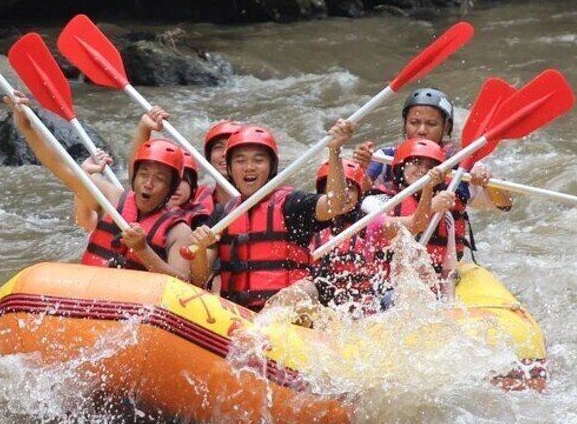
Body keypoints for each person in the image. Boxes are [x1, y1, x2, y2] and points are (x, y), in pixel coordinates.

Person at [5, 91, 192, 280]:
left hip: (137, 303)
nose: (149, 184)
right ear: (134, 177)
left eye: (159, 179)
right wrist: (27, 127)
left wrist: (142, 250)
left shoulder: (179, 231)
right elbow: (61, 167)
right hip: (90, 291)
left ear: (170, 187)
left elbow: (184, 282)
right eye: (143, 175)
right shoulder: (111, 198)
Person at [188, 120, 356, 311]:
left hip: (287, 317)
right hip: (237, 317)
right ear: (230, 169)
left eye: (258, 160)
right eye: (240, 160)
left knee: (306, 289)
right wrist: (199, 251)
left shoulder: (293, 204)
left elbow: (336, 204)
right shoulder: (222, 214)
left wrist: (334, 151)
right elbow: (198, 280)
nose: (249, 167)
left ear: (271, 167)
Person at [353, 87, 513, 211]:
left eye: (431, 124)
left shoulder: (461, 162)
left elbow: (505, 204)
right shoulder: (386, 157)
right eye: (414, 122)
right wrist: (361, 168)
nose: (421, 130)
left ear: (446, 127)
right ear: (405, 124)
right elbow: (356, 198)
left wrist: (487, 183)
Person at [363, 139, 459, 277]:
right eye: (416, 162)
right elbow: (415, 224)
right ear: (401, 167)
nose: (423, 170)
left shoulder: (444, 214)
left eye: (430, 167)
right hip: (380, 287)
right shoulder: (375, 201)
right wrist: (430, 202)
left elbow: (448, 272)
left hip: (422, 289)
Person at [307, 159, 390, 316]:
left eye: (350, 188)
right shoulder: (308, 227)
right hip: (324, 311)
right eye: (335, 188)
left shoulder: (370, 223)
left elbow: (414, 225)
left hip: (365, 310)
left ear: (359, 195)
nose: (343, 194)